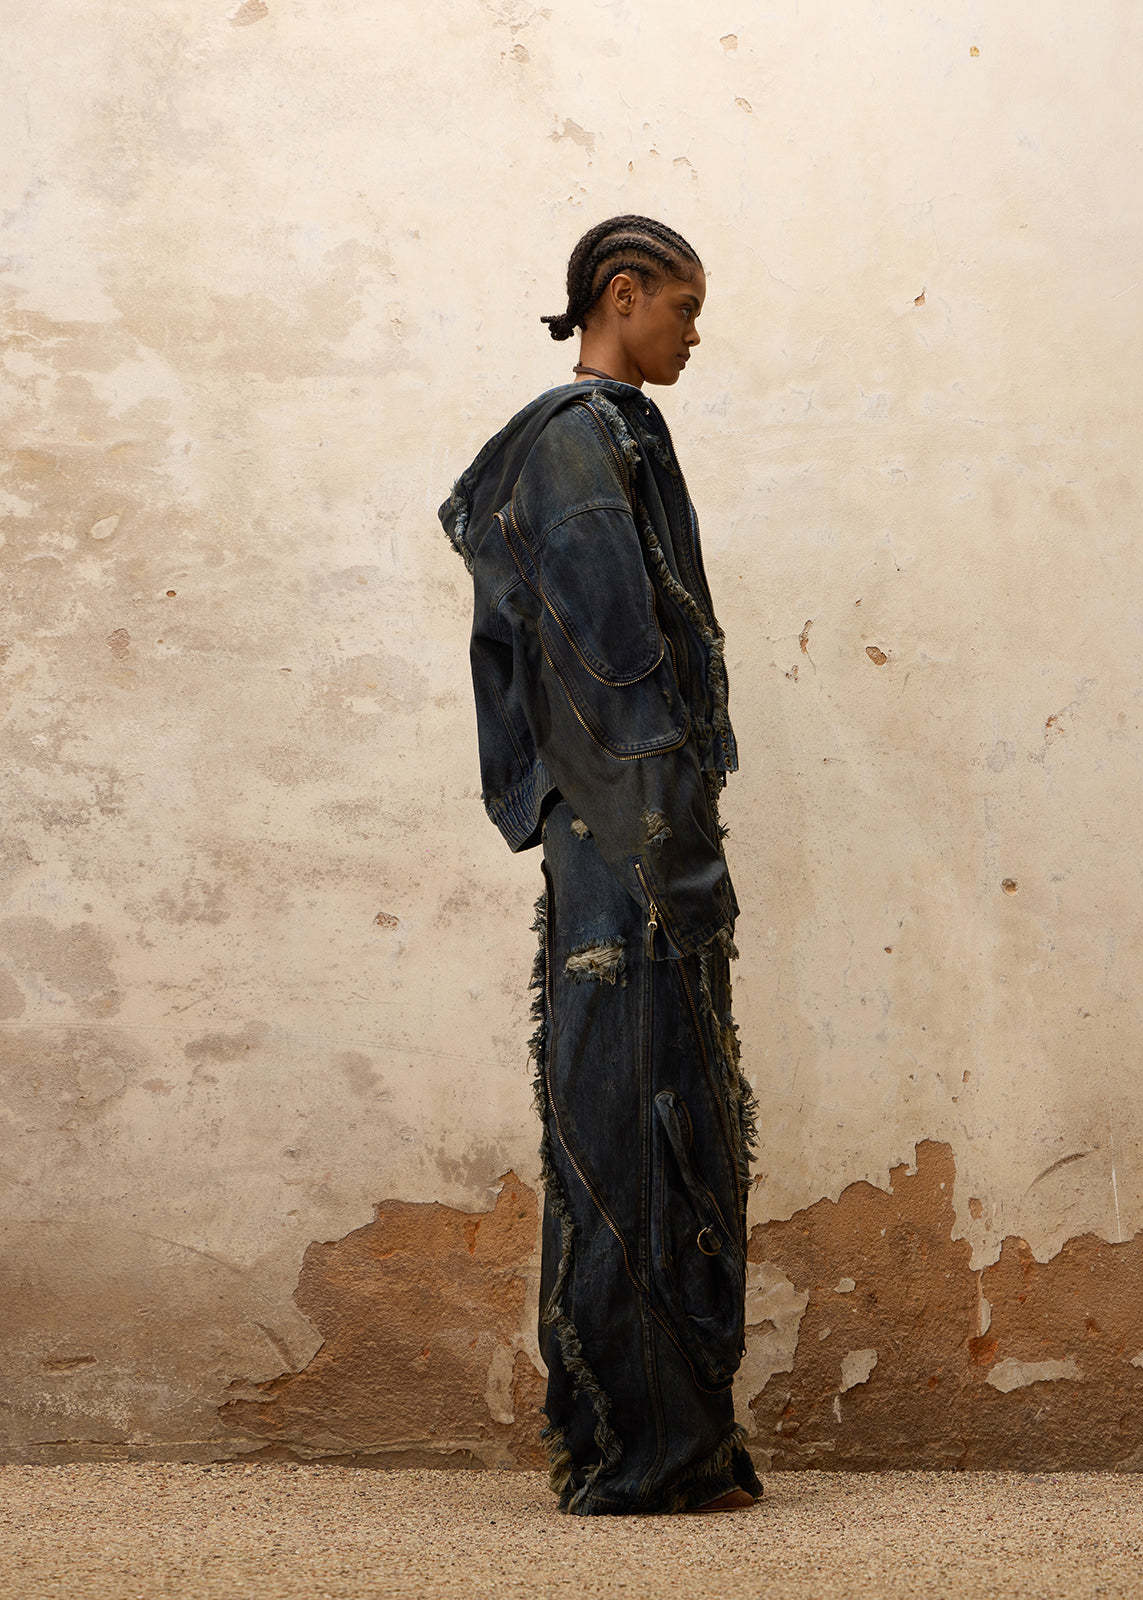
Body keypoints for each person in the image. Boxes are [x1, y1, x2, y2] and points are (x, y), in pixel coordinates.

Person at [438, 215, 763, 1515]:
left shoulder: (607, 437)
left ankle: (667, 1438)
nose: (694, 335)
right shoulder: (577, 443)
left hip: (623, 831)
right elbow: (610, 668)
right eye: (683, 309)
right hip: (629, 838)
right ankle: (638, 1449)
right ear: (621, 297)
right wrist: (661, 840)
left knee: (650, 1109)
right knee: (636, 1122)